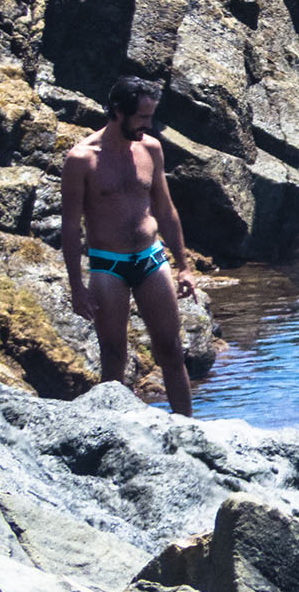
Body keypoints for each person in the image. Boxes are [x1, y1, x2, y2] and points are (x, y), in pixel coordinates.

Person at [61, 77, 199, 415]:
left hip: (152, 259)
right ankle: (113, 428)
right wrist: (77, 287)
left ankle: (188, 428)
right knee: (113, 354)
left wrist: (183, 266)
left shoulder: (150, 148)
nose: (146, 126)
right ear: (118, 112)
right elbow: (69, 227)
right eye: (141, 118)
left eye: (150, 118)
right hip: (108, 265)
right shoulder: (81, 159)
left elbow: (165, 210)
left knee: (171, 349)